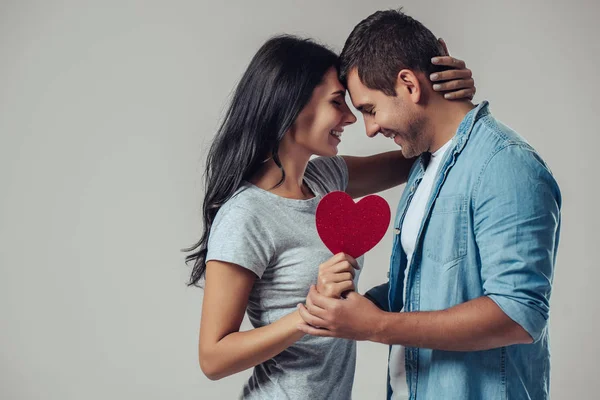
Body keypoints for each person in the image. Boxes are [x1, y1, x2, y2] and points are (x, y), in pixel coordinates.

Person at [186, 34, 475, 399]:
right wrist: (310, 313)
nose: (350, 118)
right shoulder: (246, 215)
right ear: (290, 105)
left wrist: (449, 99)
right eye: (337, 102)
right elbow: (213, 358)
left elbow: (420, 148)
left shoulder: (326, 178)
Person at [297, 9, 561, 400]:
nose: (369, 128)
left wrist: (376, 326)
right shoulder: (424, 165)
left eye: (370, 109)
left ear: (408, 84)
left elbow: (517, 314)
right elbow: (433, 285)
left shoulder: (505, 165)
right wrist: (359, 306)